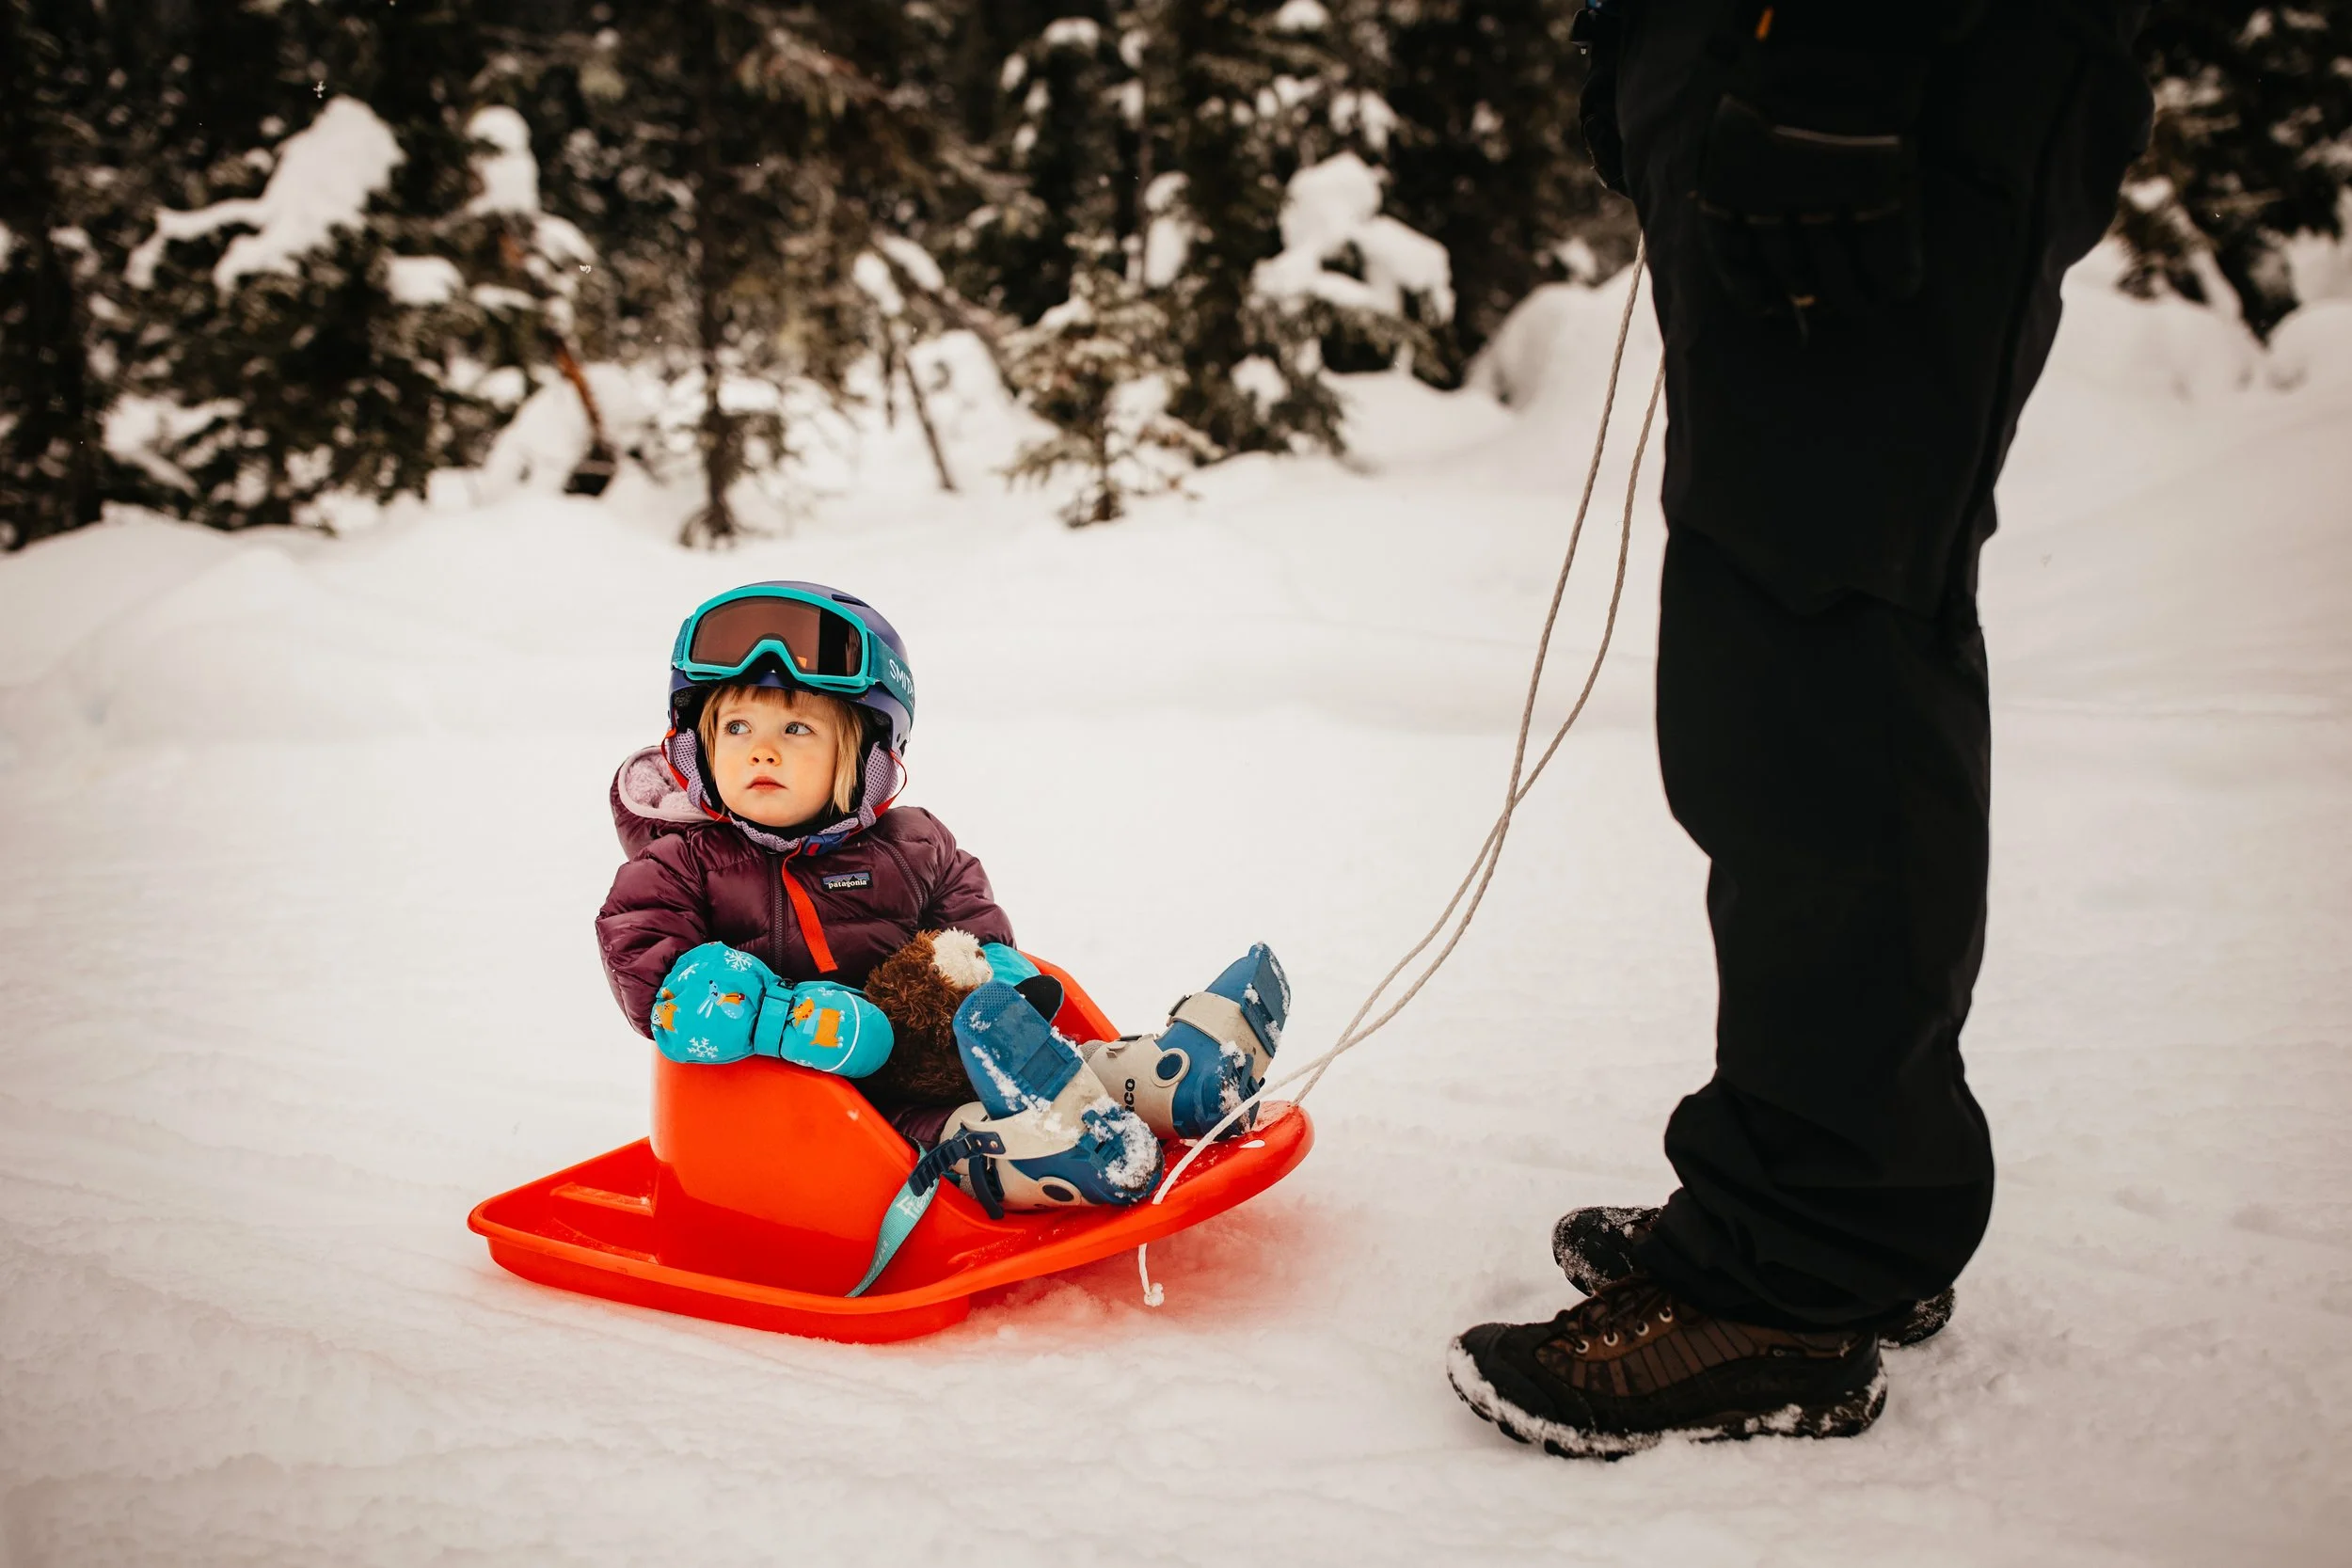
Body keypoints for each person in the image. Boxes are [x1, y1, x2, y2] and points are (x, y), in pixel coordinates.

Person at [1447, 0, 2153, 1455]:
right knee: (1780, 650)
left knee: (1817, 643)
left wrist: (1833, 53)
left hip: (1892, 72)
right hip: (1801, 65)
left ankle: (1797, 1265)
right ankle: (1836, 1188)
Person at [595, 579, 1288, 1215]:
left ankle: (1171, 1081)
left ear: (864, 757)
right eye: (737, 727)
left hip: (931, 1051)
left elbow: (975, 930)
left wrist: (997, 975)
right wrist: (779, 1017)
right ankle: (1056, 1154)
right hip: (802, 1116)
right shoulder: (680, 864)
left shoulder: (914, 843)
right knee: (935, 1138)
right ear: (697, 747)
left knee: (1042, 1053)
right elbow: (654, 979)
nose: (761, 751)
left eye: (796, 729)